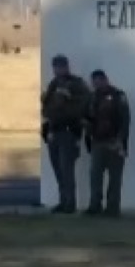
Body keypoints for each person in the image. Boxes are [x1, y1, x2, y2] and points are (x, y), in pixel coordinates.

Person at [40, 55, 89, 214]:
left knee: (66, 169)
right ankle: (63, 201)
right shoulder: (53, 84)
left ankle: (70, 204)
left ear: (67, 66)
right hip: (54, 131)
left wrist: (66, 104)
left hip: (69, 132)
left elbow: (84, 105)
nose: (58, 70)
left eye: (61, 66)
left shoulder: (77, 84)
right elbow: (46, 108)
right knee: (58, 170)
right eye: (55, 67)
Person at [85, 69, 130, 217]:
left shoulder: (118, 95)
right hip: (98, 141)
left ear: (105, 80)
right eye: (94, 82)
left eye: (99, 81)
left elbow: (124, 120)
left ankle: (112, 208)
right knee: (95, 176)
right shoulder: (93, 97)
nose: (97, 85)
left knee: (115, 178)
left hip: (114, 142)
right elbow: (89, 118)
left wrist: (120, 141)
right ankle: (95, 206)